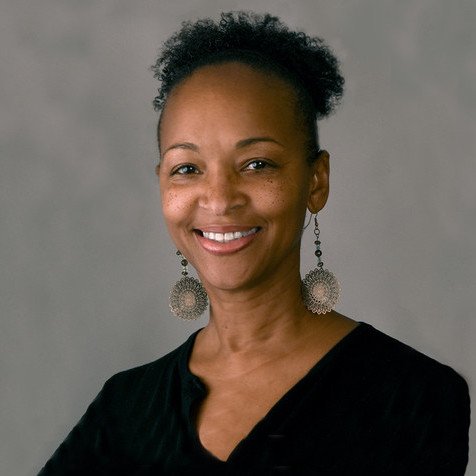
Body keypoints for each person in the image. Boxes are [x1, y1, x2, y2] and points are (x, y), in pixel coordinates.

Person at [38, 11, 470, 475]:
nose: (219, 199)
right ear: (162, 182)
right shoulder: (125, 409)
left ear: (317, 181)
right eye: (187, 168)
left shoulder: (410, 395)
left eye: (257, 164)